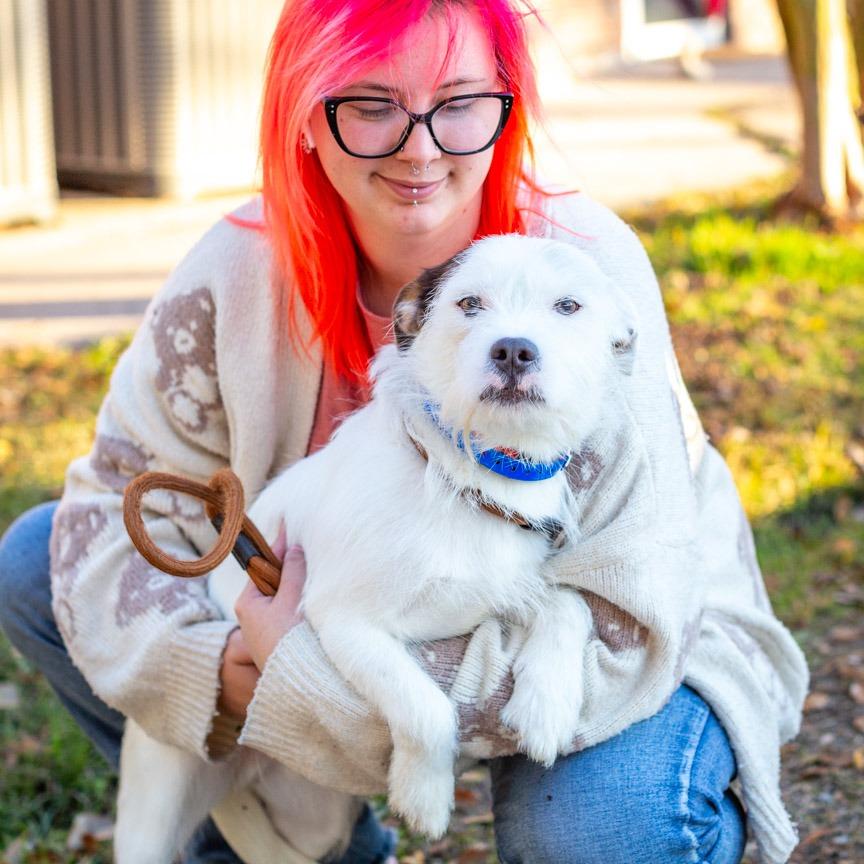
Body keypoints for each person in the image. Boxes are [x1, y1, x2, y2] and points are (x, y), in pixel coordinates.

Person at [0, 1, 808, 862]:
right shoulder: (231, 276)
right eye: (371, 105)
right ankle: (278, 840)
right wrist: (228, 672)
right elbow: (106, 511)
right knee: (37, 561)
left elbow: (631, 605)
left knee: (601, 829)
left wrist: (306, 679)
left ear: (507, 109)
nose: (419, 148)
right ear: (307, 118)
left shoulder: (585, 271)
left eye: (459, 102)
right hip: (360, 617)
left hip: (634, 640)